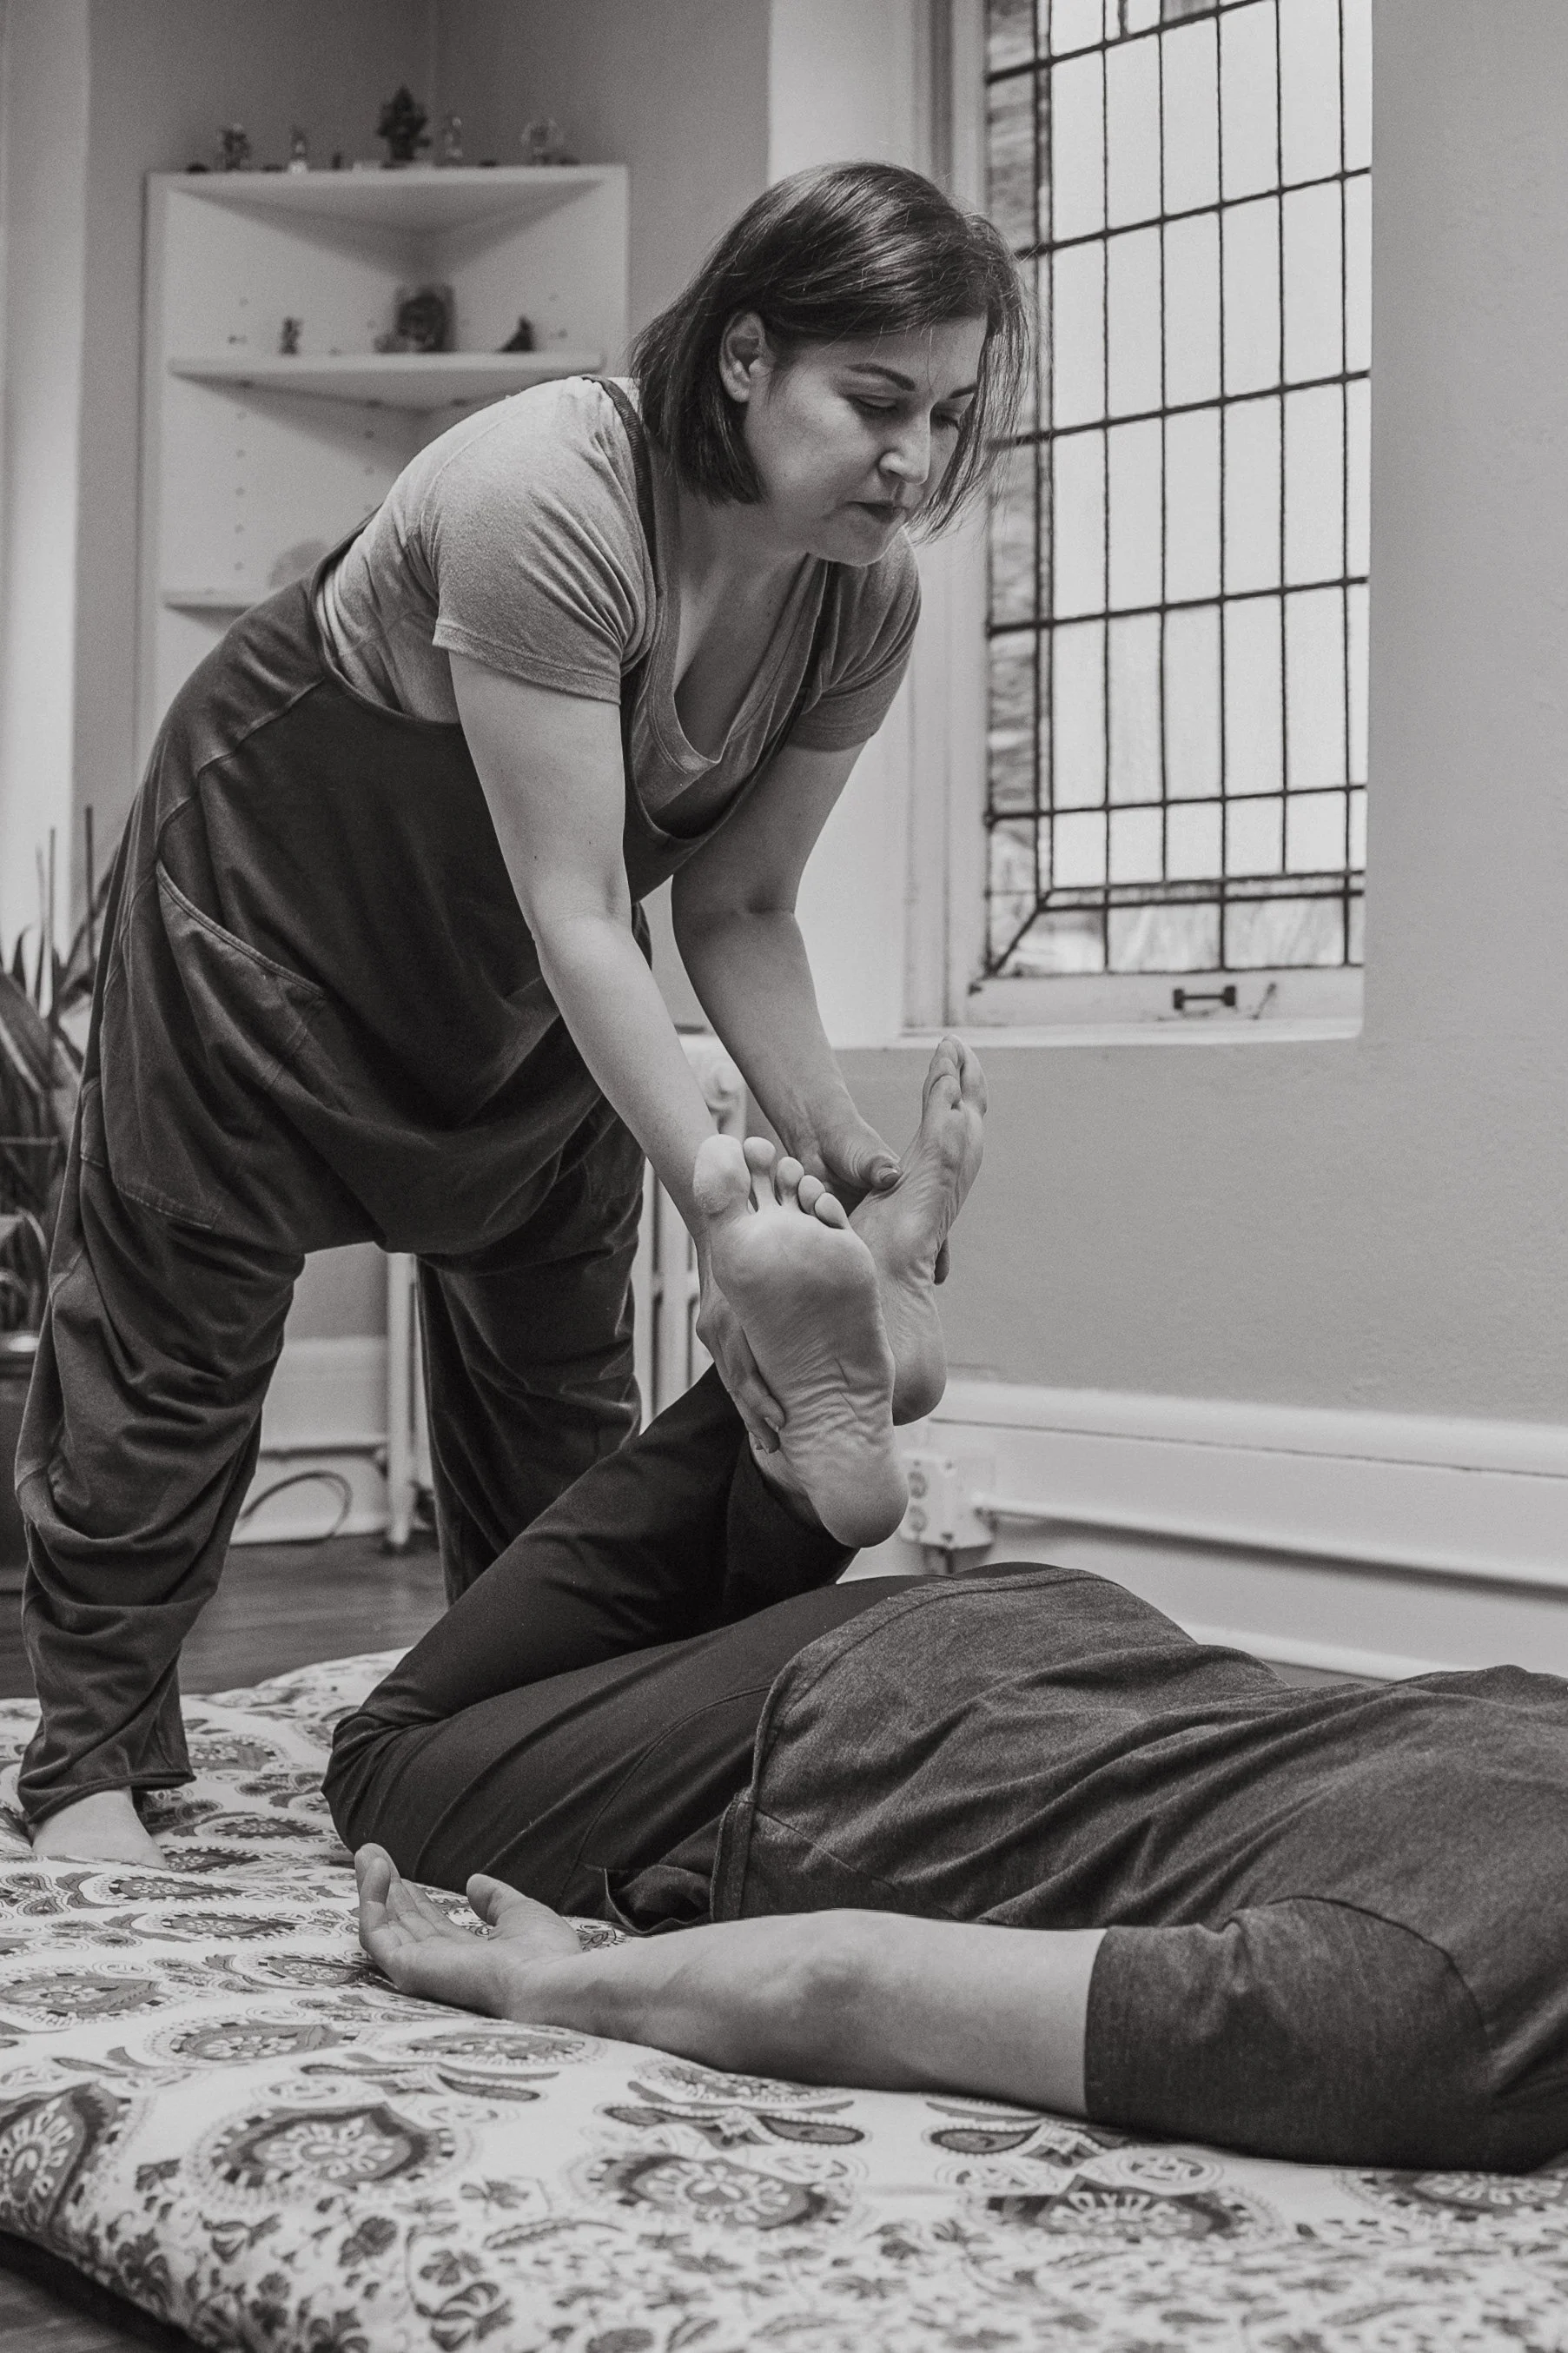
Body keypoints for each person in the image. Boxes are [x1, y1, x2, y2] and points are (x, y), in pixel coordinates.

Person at [17, 163, 1027, 1865]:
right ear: (742, 356)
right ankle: (96, 1763)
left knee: (551, 1365)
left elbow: (738, 903)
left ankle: (526, 1732)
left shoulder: (863, 597)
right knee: (176, 1335)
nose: (913, 461)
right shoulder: (542, 490)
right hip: (274, 902)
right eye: (873, 402)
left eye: (945, 413)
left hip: (523, 956)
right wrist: (719, 1196)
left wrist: (842, 1168)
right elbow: (583, 904)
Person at [342, 1059, 1568, 2174]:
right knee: (390, 1759)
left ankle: (792, 1429)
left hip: (1076, 1637)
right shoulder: (1438, 2014)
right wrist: (554, 1990)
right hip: (879, 1743)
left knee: (620, 1675)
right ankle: (772, 1408)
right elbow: (846, 1980)